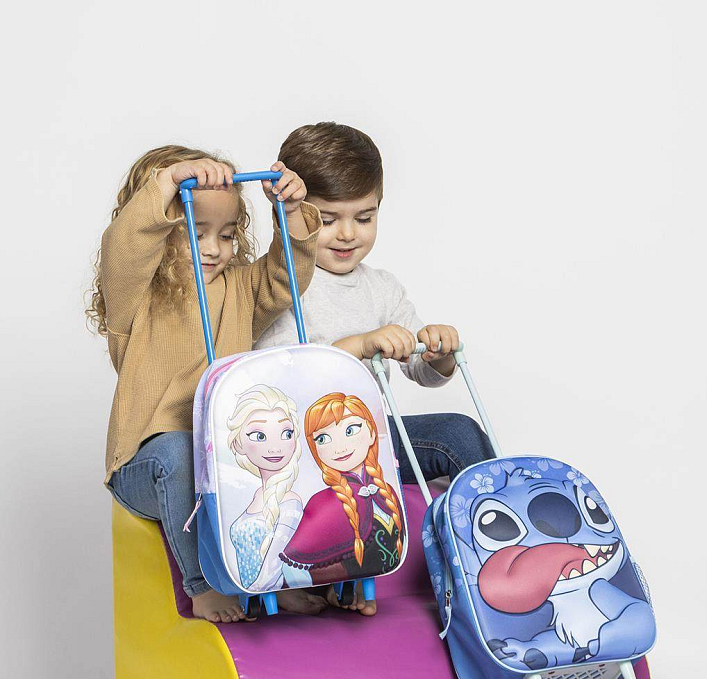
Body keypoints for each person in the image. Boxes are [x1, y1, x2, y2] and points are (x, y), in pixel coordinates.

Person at [256, 123, 495, 614]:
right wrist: (360, 345)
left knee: (459, 432)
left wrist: (436, 351)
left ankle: (492, 555)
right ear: (291, 215)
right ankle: (329, 577)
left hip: (374, 445)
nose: (348, 233)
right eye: (327, 219)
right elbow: (286, 383)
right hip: (308, 453)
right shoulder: (279, 287)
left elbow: (422, 371)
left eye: (364, 217)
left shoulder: (382, 287)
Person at [88, 144, 326, 622]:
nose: (215, 248)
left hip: (223, 465)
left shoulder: (238, 289)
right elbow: (124, 248)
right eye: (196, 234)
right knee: (179, 451)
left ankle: (276, 577)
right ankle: (205, 585)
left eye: (227, 234)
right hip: (149, 466)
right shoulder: (136, 296)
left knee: (281, 453)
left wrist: (291, 212)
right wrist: (167, 181)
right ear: (163, 230)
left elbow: (286, 278)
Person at [279, 393, 404, 608]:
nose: (340, 447)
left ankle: (359, 584)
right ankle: (334, 586)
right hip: (334, 571)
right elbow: (294, 558)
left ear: (371, 432)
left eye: (350, 430)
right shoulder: (324, 501)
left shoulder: (384, 489)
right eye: (323, 439)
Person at [226, 385, 304, 592]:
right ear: (238, 444)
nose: (275, 447)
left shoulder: (290, 502)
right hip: (250, 591)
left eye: (286, 433)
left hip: (264, 590)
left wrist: (253, 590)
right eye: (259, 436)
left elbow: (274, 565)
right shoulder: (257, 495)